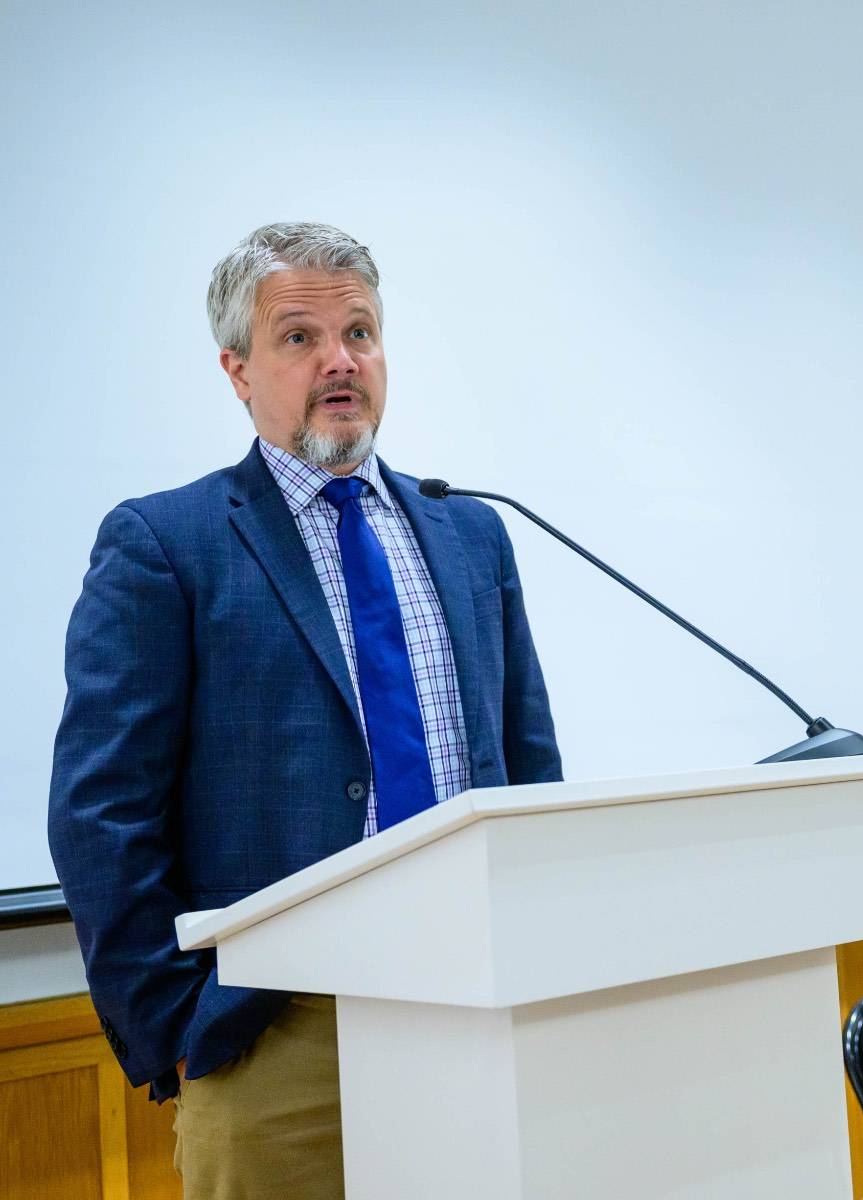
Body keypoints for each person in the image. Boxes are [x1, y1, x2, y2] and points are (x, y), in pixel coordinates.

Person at [47, 222, 562, 1199]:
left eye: (359, 332)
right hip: (277, 1032)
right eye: (299, 337)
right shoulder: (167, 543)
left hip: (481, 1000)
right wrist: (182, 1025)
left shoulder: (471, 532)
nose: (339, 360)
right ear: (237, 370)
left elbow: (529, 762)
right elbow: (100, 808)